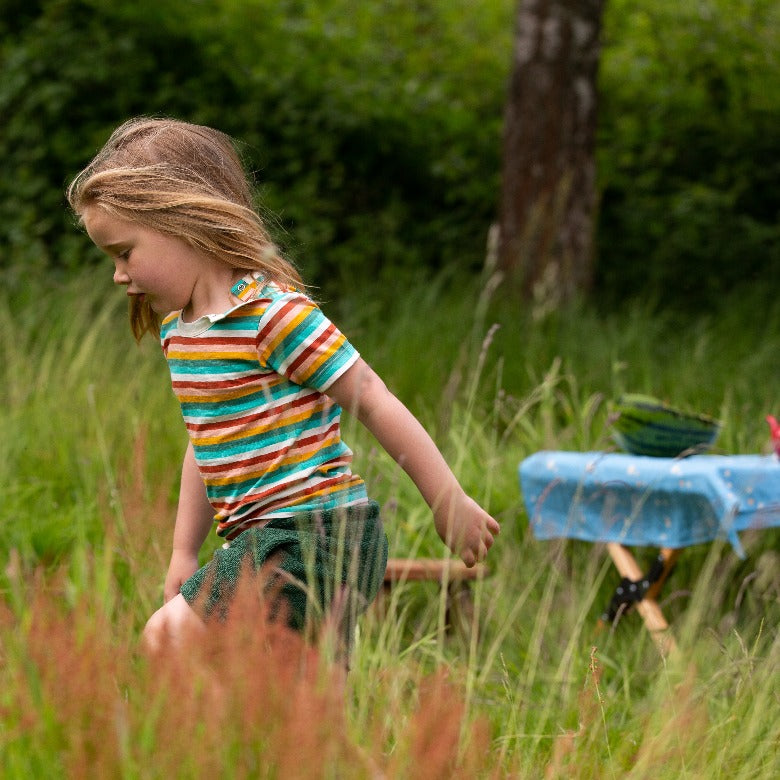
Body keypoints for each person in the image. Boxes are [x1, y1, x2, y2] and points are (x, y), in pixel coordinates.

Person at [67, 117, 500, 661]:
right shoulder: (181, 334)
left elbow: (372, 396)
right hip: (265, 541)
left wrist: (447, 500)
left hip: (317, 535)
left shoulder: (271, 315)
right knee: (304, 707)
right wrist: (184, 549)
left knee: (166, 640)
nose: (118, 275)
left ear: (184, 222)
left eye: (125, 253)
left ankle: (205, 748)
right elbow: (206, 439)